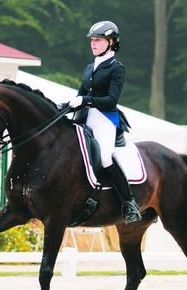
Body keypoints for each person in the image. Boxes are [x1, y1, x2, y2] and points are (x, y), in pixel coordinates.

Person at [68, 20, 141, 224]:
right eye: (92, 40)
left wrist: (85, 100)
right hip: (85, 118)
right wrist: (66, 105)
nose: (93, 44)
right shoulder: (90, 67)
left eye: (98, 40)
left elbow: (111, 100)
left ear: (110, 42)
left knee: (105, 157)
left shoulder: (116, 68)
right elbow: (81, 93)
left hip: (104, 119)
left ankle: (129, 202)